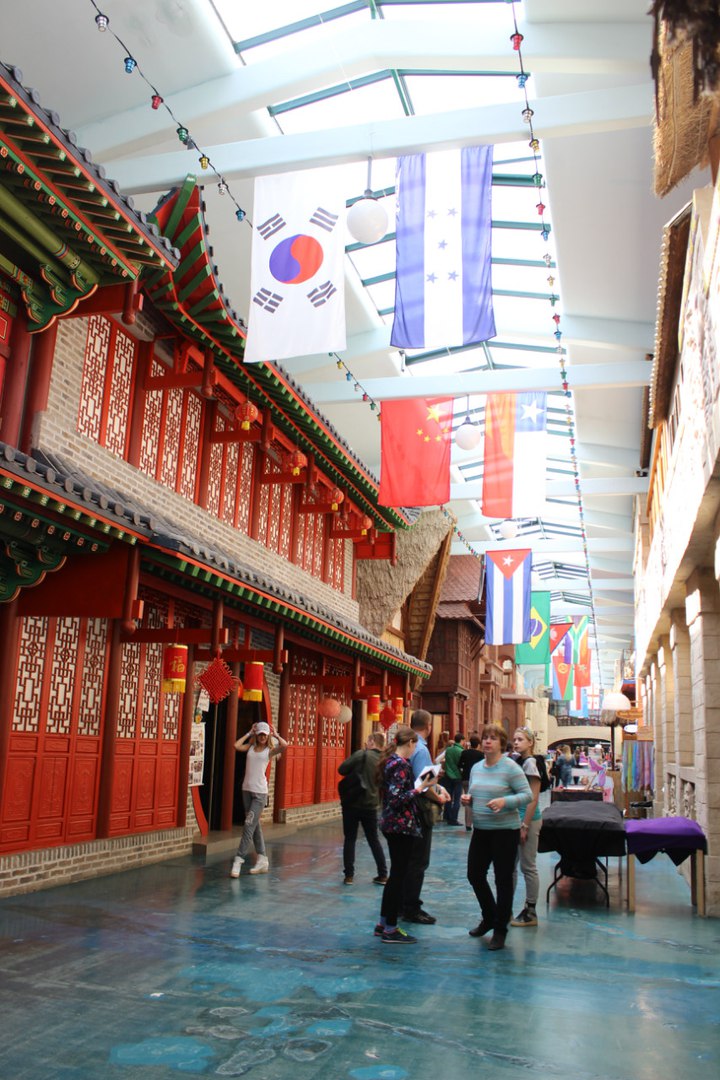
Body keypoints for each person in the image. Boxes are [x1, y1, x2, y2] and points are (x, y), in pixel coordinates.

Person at [462, 723, 531, 951]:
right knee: (474, 874)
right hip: (481, 830)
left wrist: (505, 801)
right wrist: (469, 800)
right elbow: (475, 794)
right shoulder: (476, 768)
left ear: (501, 743)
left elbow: (527, 795)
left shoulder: (510, 767)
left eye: (492, 738)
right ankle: (489, 916)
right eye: (485, 737)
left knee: (503, 879)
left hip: (505, 832)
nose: (487, 741)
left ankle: (500, 929)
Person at [374, 725, 439, 944]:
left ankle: (384, 922)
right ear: (410, 743)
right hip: (400, 825)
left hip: (392, 824)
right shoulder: (400, 765)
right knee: (398, 877)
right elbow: (397, 798)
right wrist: (420, 788)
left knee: (395, 876)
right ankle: (390, 928)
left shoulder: (391, 762)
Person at [401, 709, 449, 924]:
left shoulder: (407, 745)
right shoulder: (421, 749)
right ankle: (411, 907)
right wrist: (438, 797)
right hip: (418, 811)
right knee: (418, 861)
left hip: (403, 811)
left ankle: (402, 904)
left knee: (405, 860)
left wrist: (438, 787)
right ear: (429, 726)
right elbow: (423, 784)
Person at [230, 720, 288, 877]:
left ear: (268, 736)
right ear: (257, 735)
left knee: (248, 825)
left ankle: (238, 860)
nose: (262, 737)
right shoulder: (250, 747)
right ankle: (262, 859)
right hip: (246, 790)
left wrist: (276, 735)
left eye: (265, 735)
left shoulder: (269, 751)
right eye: (260, 734)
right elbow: (236, 745)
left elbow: (284, 745)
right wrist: (249, 733)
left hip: (260, 793)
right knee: (255, 826)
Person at [338, 732, 388, 886]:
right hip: (371, 805)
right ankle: (382, 874)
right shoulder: (385, 760)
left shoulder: (362, 755)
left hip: (353, 802)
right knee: (373, 839)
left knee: (350, 838)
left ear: (372, 742)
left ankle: (349, 875)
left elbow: (342, 769)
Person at [510, 727, 542, 928]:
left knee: (527, 866)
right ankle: (506, 906)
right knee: (510, 866)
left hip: (527, 819)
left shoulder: (530, 763)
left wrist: (525, 825)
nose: (516, 742)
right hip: (516, 818)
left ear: (530, 742)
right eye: (514, 739)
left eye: (520, 739)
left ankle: (531, 910)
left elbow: (533, 797)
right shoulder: (518, 761)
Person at [459, 735, 484, 831]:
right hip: (477, 779)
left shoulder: (464, 753)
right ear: (478, 745)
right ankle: (476, 822)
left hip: (465, 778)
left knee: (467, 800)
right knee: (476, 800)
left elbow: (459, 764)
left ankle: (468, 824)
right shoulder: (480, 755)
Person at [440, 733, 464, 825]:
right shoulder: (461, 751)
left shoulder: (449, 750)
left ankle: (447, 816)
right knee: (457, 799)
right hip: (457, 776)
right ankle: (453, 819)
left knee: (448, 797)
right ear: (461, 740)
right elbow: (461, 764)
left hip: (448, 775)